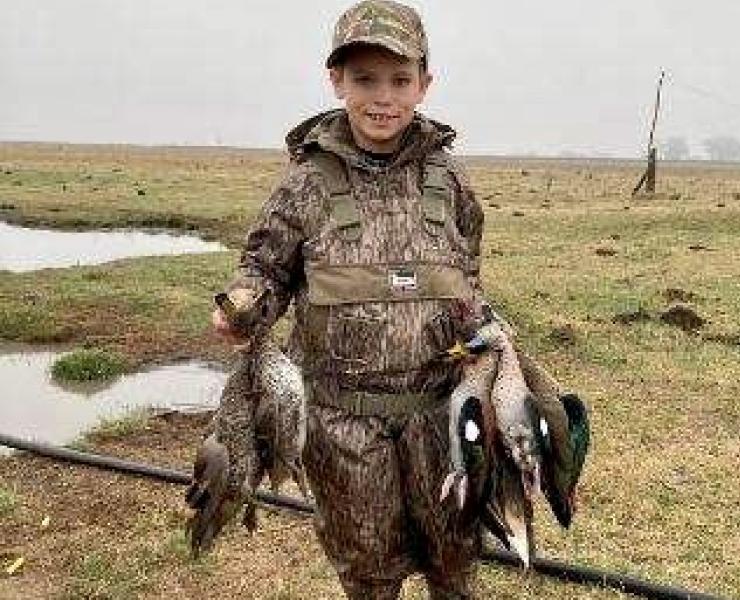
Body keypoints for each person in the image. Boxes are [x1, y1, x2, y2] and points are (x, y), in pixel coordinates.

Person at [207, 1, 586, 597]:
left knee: (456, 560)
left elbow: (467, 276)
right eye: (364, 79)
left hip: (444, 415)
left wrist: (489, 336)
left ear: (424, 84)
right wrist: (242, 304)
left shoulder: (450, 181)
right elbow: (264, 268)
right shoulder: (304, 183)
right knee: (368, 570)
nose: (382, 97)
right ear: (336, 81)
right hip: (341, 424)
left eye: (399, 80)